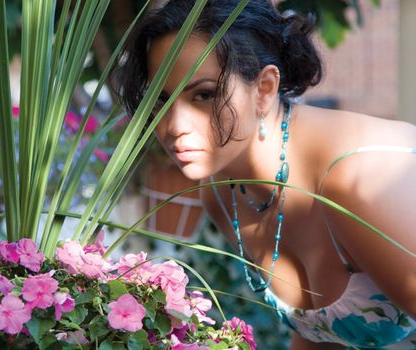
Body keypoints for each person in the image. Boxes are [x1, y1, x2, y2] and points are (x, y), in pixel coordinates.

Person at [115, 0, 416, 349]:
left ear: (264, 88)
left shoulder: (357, 180)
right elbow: (321, 333)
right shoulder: (223, 193)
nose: (173, 126)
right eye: (161, 100)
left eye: (204, 95)